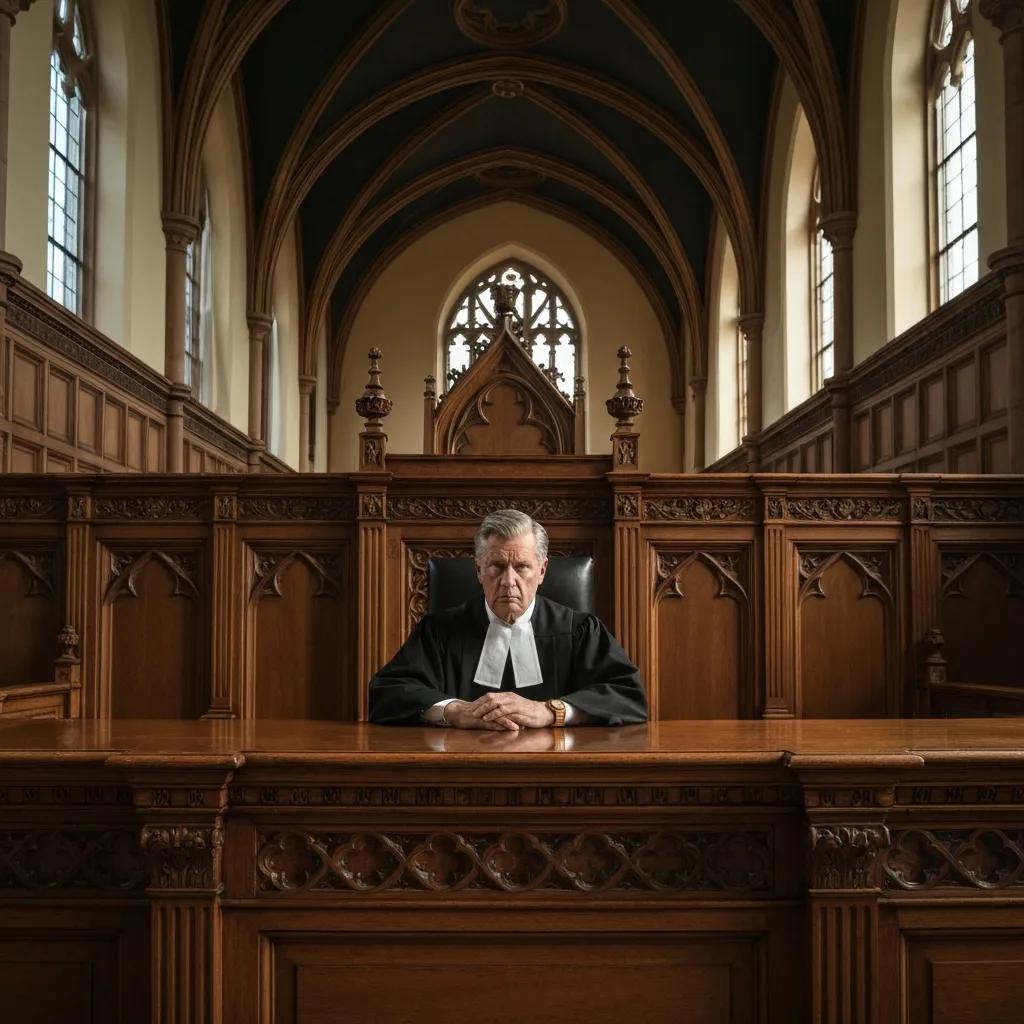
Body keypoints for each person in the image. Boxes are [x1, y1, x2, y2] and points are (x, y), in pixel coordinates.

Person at [369, 509, 648, 729]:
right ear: (479, 569)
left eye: (522, 567)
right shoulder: (439, 631)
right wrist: (454, 711)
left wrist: (551, 712)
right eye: (497, 566)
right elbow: (387, 693)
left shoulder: (579, 631)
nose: (508, 581)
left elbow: (628, 696)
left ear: (542, 570)